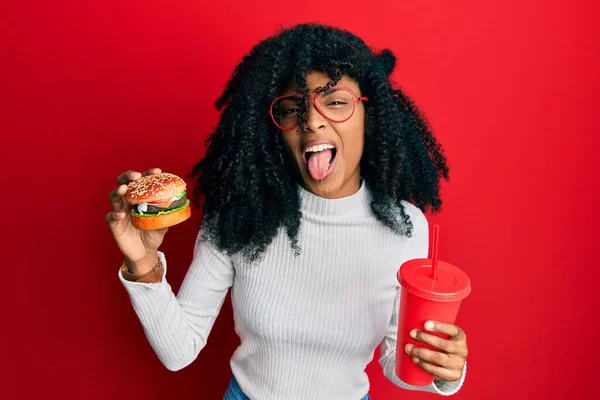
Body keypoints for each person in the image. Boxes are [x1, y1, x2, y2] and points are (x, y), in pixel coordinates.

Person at [106, 23, 468, 400]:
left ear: (370, 116)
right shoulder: (239, 214)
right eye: (293, 109)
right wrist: (142, 262)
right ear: (275, 129)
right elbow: (178, 351)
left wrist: (444, 370)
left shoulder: (405, 228)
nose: (312, 120)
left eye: (336, 101)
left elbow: (397, 359)